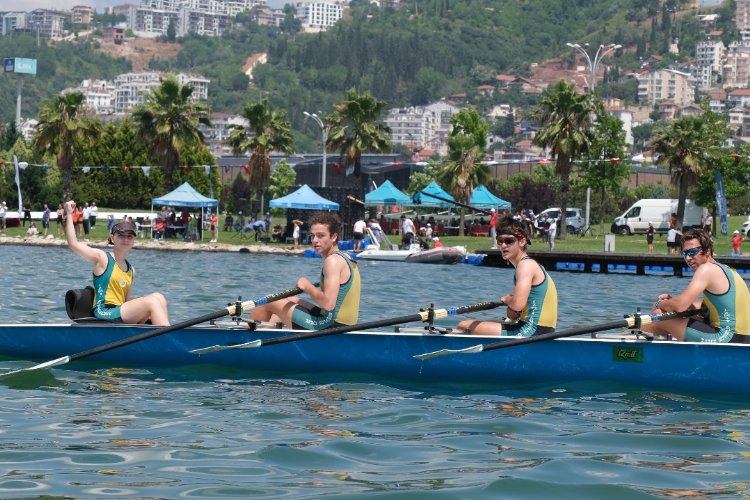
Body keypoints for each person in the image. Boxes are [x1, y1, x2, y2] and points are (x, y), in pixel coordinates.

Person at [63, 200, 170, 326]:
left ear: (133, 240)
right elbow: (73, 244)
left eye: (129, 237)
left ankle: (161, 334)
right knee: (152, 302)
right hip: (104, 312)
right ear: (113, 238)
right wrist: (69, 214)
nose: (125, 239)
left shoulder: (131, 269)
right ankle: (171, 339)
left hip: (119, 312)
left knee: (159, 298)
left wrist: (141, 303)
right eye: (121, 236)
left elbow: (124, 302)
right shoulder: (102, 258)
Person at [249, 212, 360, 330]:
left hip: (329, 325)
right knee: (291, 300)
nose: (315, 240)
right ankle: (268, 334)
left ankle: (244, 337)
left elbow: (328, 304)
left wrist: (307, 286)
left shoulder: (332, 261)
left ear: (334, 237)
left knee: (268, 300)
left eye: (320, 236)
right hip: (341, 324)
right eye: (312, 236)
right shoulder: (346, 257)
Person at [456, 214, 557, 337]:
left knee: (464, 325)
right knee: (484, 323)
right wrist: (512, 306)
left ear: (522, 241)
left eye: (509, 241)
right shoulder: (530, 265)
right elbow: (513, 313)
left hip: (531, 330)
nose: (503, 245)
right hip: (541, 331)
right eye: (500, 241)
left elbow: (517, 304)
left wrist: (508, 300)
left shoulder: (525, 265)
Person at [643, 228, 750, 343]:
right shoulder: (727, 270)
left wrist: (660, 303)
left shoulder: (706, 269)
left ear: (707, 250)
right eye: (684, 253)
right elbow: (702, 305)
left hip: (726, 338)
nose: (688, 258)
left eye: (692, 252)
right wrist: (672, 303)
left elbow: (680, 306)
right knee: (672, 315)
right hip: (744, 339)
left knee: (657, 316)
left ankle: (647, 346)